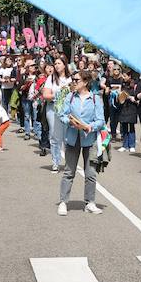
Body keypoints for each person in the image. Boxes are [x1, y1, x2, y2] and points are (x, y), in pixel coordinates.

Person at [57, 72, 106, 216]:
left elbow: (101, 120)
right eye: (72, 80)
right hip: (72, 138)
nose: (73, 82)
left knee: (90, 173)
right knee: (69, 172)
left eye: (76, 80)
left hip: (89, 139)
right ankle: (63, 202)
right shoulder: (70, 97)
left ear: (85, 82)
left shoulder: (96, 99)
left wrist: (90, 126)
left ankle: (90, 202)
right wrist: (70, 122)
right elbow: (62, 114)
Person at [116, 76, 139, 153]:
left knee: (131, 127)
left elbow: (138, 98)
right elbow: (119, 99)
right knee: (124, 126)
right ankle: (124, 145)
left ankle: (132, 145)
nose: (124, 77)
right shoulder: (122, 86)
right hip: (123, 109)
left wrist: (132, 98)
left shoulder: (136, 86)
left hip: (132, 109)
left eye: (125, 76)